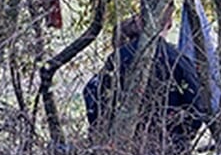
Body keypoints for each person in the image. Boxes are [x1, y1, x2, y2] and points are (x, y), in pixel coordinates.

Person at [83, 10, 207, 145]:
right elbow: (195, 107)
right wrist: (181, 138)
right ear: (169, 24)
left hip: (125, 147)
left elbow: (97, 98)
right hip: (168, 147)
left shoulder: (119, 58)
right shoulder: (178, 60)